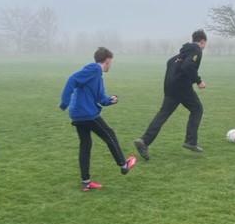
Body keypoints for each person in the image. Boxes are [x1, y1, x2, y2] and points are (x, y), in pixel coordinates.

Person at [60, 47, 137, 191]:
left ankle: (86, 182)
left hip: (78, 114)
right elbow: (72, 79)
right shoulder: (94, 69)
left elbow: (100, 98)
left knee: (86, 144)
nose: (111, 65)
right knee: (109, 134)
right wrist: (64, 102)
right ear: (106, 61)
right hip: (86, 113)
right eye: (110, 62)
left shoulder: (96, 76)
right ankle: (123, 165)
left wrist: (110, 100)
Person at [134, 29, 207, 159]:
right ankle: (190, 142)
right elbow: (187, 66)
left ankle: (144, 141)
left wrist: (172, 80)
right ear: (202, 41)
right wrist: (198, 81)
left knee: (163, 114)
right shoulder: (196, 50)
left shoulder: (183, 52)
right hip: (182, 87)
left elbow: (170, 62)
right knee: (197, 109)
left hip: (170, 87)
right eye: (205, 43)